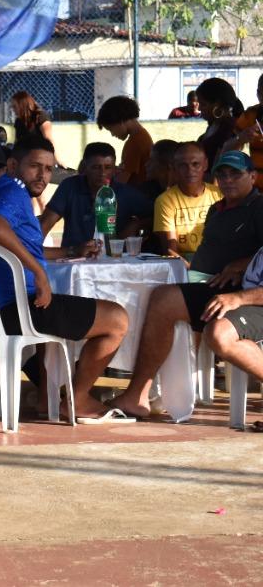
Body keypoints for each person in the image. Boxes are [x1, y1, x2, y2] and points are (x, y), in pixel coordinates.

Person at [0, 135, 130, 422]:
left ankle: (47, 397)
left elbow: (20, 247)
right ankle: (78, 398)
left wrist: (70, 251)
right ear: (12, 165)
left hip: (2, 307)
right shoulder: (13, 190)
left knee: (63, 309)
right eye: (35, 166)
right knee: (117, 318)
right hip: (18, 308)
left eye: (48, 168)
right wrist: (40, 273)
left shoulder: (0, 190)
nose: (43, 175)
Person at [111, 150, 263, 420]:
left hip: (248, 295)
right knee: (161, 298)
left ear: (253, 176)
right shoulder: (217, 208)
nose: (227, 180)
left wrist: (240, 274)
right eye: (222, 174)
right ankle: (138, 395)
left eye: (236, 174)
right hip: (220, 285)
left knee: (217, 334)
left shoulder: (258, 207)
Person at [196, 245, 263, 429]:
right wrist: (241, 268)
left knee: (220, 334)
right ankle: (139, 396)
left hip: (252, 301)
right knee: (166, 298)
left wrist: (239, 297)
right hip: (248, 293)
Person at [39, 143, 152, 250]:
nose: (102, 173)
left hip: (114, 261)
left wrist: (136, 224)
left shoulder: (126, 193)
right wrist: (33, 251)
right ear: (85, 167)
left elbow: (154, 216)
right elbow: (47, 221)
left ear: (114, 169)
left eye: (107, 167)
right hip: (73, 259)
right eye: (96, 167)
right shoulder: (70, 187)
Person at [154, 142, 221, 263]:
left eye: (196, 164)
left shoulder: (219, 195)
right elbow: (170, 250)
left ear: (205, 164)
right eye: (183, 165)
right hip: (182, 261)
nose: (190, 170)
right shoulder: (165, 200)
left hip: (216, 259)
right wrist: (190, 268)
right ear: (174, 168)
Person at [96, 95, 153, 186]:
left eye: (111, 129)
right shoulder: (141, 136)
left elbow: (121, 181)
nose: (112, 134)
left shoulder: (135, 142)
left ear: (121, 121)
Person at [196, 77, 244, 165]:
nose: (199, 108)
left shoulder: (229, 129)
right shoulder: (214, 125)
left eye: (203, 104)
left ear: (217, 104)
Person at [230, 73, 263, 191]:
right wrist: (241, 138)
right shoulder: (251, 115)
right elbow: (228, 149)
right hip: (257, 189)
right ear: (258, 94)